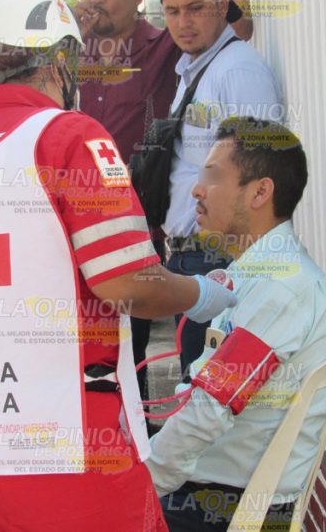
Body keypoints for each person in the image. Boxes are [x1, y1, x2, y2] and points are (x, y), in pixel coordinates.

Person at [0, 0, 235, 529]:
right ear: (60, 62)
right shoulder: (71, 137)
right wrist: (204, 294)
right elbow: (126, 281)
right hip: (68, 448)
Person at [73, 0, 251, 409]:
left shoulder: (164, 46)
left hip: (139, 226)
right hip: (74, 225)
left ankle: (135, 430)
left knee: (130, 343)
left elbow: (235, 26)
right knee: (84, 348)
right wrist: (71, 37)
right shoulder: (67, 53)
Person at [147, 118, 324, 531]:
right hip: (207, 492)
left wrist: (141, 481)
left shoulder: (283, 288)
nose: (196, 190)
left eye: (212, 177)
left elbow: (210, 408)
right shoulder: (256, 275)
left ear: (261, 191)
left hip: (221, 508)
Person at [151, 0, 281, 380]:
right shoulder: (198, 68)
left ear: (222, 8)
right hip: (196, 258)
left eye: (195, 8)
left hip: (221, 258)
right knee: (201, 391)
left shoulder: (236, 70)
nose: (183, 22)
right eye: (173, 12)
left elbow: (255, 173)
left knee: (213, 397)